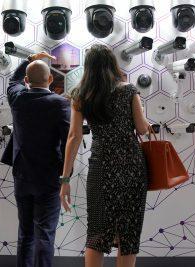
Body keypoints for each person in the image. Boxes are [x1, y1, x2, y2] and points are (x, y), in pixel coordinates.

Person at [59, 44, 150, 267]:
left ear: (88, 68)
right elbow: (141, 128)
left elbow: (74, 136)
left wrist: (65, 179)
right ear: (112, 64)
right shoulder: (128, 91)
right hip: (131, 166)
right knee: (128, 232)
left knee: (97, 232)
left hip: (101, 166)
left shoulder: (81, 95)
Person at [4, 52, 71, 267]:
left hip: (22, 176)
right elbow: (67, 140)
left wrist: (29, 59)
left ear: (26, 81)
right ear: (50, 79)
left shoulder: (18, 98)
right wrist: (65, 176)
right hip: (49, 178)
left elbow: (12, 81)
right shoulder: (60, 103)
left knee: (25, 233)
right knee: (44, 233)